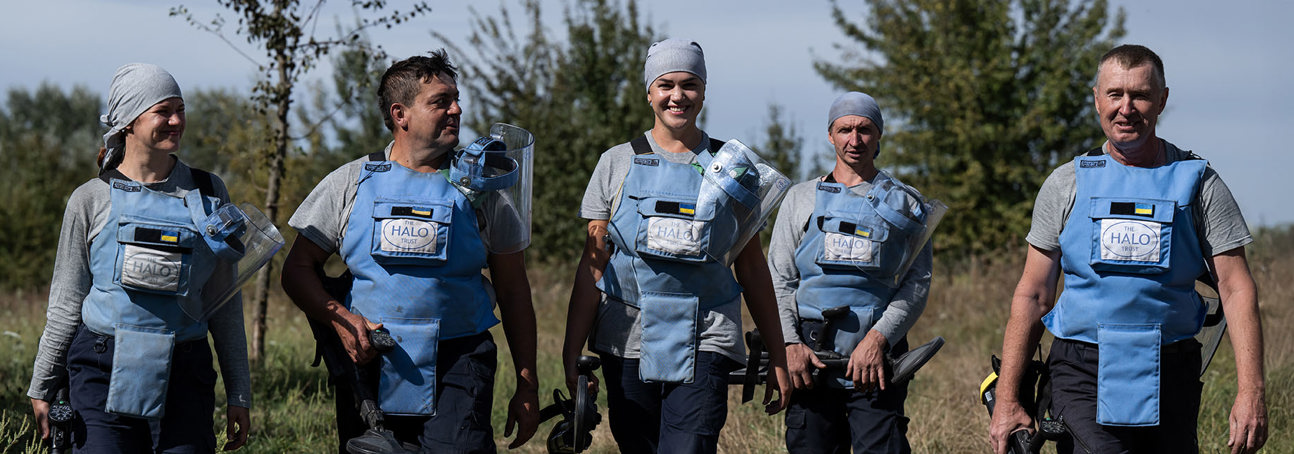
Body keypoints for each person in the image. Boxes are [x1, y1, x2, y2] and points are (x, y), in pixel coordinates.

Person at [988, 44, 1267, 454]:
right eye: (1115, 94)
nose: (1126, 108)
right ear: (1097, 98)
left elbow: (1236, 288)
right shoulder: (1066, 183)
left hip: (1170, 370)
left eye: (1140, 95)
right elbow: (1033, 294)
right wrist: (1008, 399)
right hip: (1081, 370)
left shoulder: (1200, 183)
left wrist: (1252, 391)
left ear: (1162, 100)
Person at [280, 50, 539, 453]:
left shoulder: (486, 191)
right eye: (440, 101)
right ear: (400, 115)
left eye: (456, 99)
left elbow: (513, 289)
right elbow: (297, 270)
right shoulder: (349, 182)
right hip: (369, 360)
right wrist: (342, 322)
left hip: (460, 362)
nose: (456, 110)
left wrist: (527, 382)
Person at [560, 38, 792, 454]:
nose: (677, 96)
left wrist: (778, 353)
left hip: (708, 334)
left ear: (703, 92)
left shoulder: (735, 169)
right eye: (666, 85)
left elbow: (752, 267)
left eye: (689, 84)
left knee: (689, 446)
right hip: (627, 337)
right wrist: (571, 351)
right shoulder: (616, 162)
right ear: (649, 92)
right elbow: (593, 265)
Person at [27, 63, 252, 452]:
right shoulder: (90, 198)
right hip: (101, 371)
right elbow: (66, 302)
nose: (177, 120)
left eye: (180, 109)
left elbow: (224, 304)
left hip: (186, 375)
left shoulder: (209, 191)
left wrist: (239, 393)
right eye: (163, 111)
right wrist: (43, 384)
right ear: (129, 121)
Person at [766, 92, 934, 453]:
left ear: (879, 135)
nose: (854, 140)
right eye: (845, 130)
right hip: (809, 358)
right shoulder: (800, 198)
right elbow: (778, 280)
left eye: (864, 130)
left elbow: (915, 285)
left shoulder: (906, 202)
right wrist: (790, 344)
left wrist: (877, 340)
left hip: (876, 358)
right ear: (830, 135)